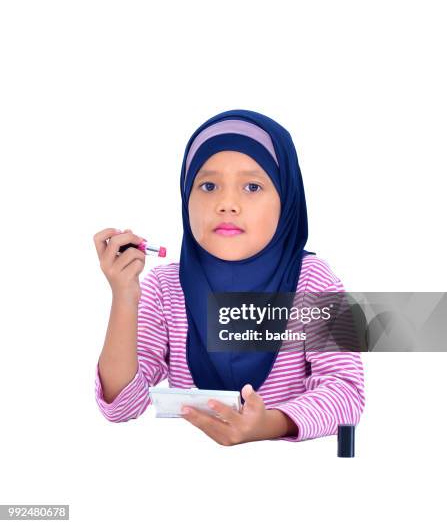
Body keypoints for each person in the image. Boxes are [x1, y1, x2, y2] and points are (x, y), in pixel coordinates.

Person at [93, 109, 365, 445]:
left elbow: (347, 394)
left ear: (287, 201)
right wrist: (123, 296)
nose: (226, 204)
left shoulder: (314, 281)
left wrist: (270, 424)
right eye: (208, 185)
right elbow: (121, 405)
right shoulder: (165, 288)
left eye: (252, 186)